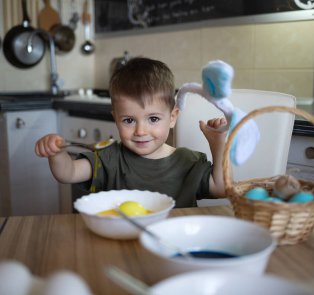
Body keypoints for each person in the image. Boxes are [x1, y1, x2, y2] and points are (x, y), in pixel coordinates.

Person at [35, 57, 228, 207]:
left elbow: (222, 189)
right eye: (128, 120)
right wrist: (57, 154)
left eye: (153, 119)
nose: (140, 131)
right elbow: (68, 173)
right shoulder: (109, 158)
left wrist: (217, 142)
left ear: (172, 118)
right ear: (116, 118)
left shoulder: (189, 162)